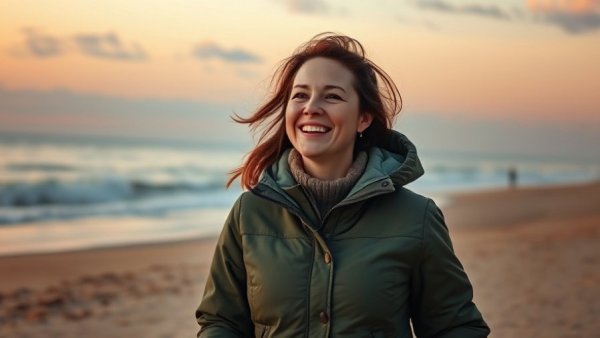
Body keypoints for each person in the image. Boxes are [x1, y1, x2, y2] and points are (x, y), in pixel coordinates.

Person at [196, 33, 490, 338]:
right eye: (300, 95)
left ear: (363, 118)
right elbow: (221, 321)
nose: (311, 107)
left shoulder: (417, 217)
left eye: (332, 96)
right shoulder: (250, 213)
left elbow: (457, 328)